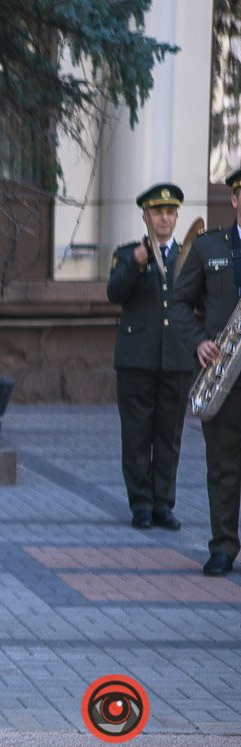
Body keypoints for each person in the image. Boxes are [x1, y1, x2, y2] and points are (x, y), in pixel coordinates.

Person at [106, 183, 195, 531]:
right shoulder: (128, 254)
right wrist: (137, 265)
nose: (165, 219)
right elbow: (115, 293)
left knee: (169, 436)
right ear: (145, 217)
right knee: (137, 434)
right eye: (158, 212)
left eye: (171, 212)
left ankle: (164, 504)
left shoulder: (190, 255)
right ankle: (141, 503)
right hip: (136, 358)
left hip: (176, 357)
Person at [171, 167, 241, 577]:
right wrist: (198, 341)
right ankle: (223, 547)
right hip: (223, 377)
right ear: (234, 199)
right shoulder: (208, 247)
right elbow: (179, 303)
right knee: (222, 466)